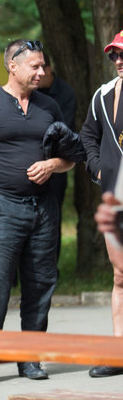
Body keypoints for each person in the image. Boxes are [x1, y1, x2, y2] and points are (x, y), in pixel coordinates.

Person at [0, 39, 75, 384]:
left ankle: (30, 358)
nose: (42, 72)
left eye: (43, 66)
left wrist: (51, 165)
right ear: (12, 67)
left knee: (41, 283)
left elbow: (70, 157)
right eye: (35, 66)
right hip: (2, 206)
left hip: (44, 208)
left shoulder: (50, 106)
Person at [81, 29, 123, 378]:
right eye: (114, 55)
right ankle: (118, 352)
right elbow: (88, 136)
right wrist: (97, 169)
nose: (119, 61)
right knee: (121, 276)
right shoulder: (104, 94)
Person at [38, 52, 77, 265]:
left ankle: (52, 267)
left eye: (41, 69)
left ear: (49, 70)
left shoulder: (64, 93)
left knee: (53, 219)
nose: (38, 75)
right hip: (29, 164)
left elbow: (64, 133)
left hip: (56, 166)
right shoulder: (31, 91)